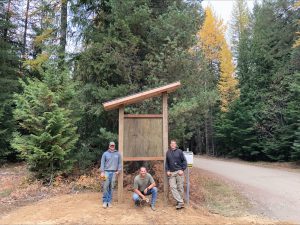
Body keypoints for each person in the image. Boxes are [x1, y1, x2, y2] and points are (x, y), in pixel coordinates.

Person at [165, 139, 187, 209]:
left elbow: (184, 161)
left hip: (179, 172)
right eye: (171, 143)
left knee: (180, 187)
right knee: (172, 187)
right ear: (170, 145)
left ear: (176, 145)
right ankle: (180, 201)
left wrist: (182, 169)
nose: (173, 145)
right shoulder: (168, 152)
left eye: (174, 143)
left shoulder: (179, 151)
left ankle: (179, 203)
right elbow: (167, 163)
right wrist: (167, 170)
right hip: (171, 173)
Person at [100, 141, 122, 208]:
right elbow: (102, 163)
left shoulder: (118, 154)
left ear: (114, 146)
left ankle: (109, 202)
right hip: (106, 172)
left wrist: (118, 171)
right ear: (109, 146)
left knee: (111, 187)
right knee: (105, 187)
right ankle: (104, 201)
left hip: (114, 172)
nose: (112, 146)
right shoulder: (105, 154)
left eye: (113, 145)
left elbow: (120, 163)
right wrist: (102, 172)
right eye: (111, 145)